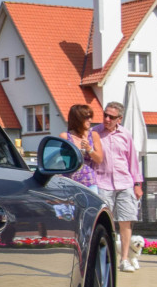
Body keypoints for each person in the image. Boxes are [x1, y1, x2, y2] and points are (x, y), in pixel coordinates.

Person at [93, 101, 143, 272]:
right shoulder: (95, 133)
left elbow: (133, 161)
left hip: (124, 182)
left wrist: (137, 184)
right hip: (102, 182)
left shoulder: (126, 135)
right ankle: (105, 257)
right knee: (105, 222)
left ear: (119, 119)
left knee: (125, 221)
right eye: (105, 115)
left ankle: (124, 259)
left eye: (111, 117)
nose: (107, 119)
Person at [60, 104, 103, 192]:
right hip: (70, 181)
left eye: (90, 117)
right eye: (87, 118)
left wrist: (89, 149)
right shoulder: (65, 137)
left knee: (92, 205)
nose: (90, 120)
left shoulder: (93, 135)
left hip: (89, 180)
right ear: (78, 119)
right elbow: (62, 160)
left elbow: (99, 159)